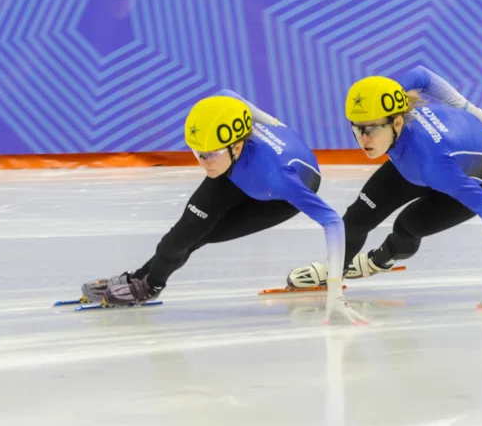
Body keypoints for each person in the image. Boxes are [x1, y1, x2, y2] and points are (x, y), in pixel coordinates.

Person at [80, 91, 366, 324]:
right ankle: (144, 280)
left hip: (278, 198)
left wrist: (334, 290)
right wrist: (271, 123)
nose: (202, 162)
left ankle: (148, 285)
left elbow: (332, 221)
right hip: (236, 171)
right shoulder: (222, 153)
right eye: (197, 153)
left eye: (210, 155)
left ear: (237, 146)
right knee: (184, 233)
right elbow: (228, 95)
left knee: (202, 236)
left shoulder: (278, 176)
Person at [287, 66, 482, 311]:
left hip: (475, 176)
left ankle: (379, 260)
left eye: (371, 129)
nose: (364, 140)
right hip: (419, 158)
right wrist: (471, 110)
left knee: (407, 227)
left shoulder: (432, 164)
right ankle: (334, 269)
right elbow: (422, 75)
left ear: (397, 122)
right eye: (357, 129)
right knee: (357, 218)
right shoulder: (389, 103)